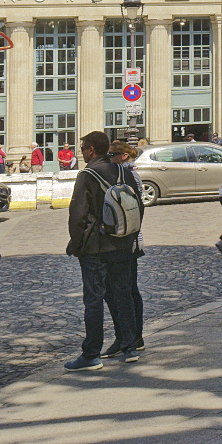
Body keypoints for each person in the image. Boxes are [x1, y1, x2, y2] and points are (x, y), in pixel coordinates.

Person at [64, 130, 140, 370]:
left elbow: (77, 214)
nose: (83, 152)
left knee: (94, 299)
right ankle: (130, 346)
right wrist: (128, 235)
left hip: (95, 247)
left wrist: (76, 244)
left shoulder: (87, 175)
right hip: (122, 243)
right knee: (124, 294)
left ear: (92, 150)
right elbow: (137, 207)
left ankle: (91, 354)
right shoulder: (123, 172)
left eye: (84, 148)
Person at [105, 137, 146, 359]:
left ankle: (131, 337)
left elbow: (135, 209)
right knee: (129, 290)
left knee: (128, 291)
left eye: (112, 155)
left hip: (130, 239)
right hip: (132, 238)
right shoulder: (121, 172)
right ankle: (133, 337)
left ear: (124, 156)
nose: (109, 158)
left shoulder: (129, 175)